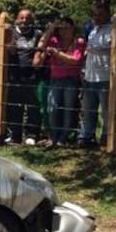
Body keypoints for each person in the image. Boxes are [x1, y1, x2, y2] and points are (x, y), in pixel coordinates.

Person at [42, 18, 83, 147]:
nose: (63, 31)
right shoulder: (54, 41)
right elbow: (41, 45)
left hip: (71, 80)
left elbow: (76, 60)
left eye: (66, 28)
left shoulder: (78, 42)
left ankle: (63, 138)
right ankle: (54, 136)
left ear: (72, 28)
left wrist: (57, 53)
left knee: (68, 109)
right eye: (61, 28)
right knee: (52, 108)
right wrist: (50, 28)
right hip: (55, 79)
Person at [80, 0, 114, 147]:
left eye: (100, 14)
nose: (97, 17)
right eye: (95, 14)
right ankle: (87, 136)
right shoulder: (92, 30)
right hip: (89, 76)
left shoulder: (113, 29)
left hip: (105, 77)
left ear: (107, 13)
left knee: (107, 111)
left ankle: (107, 136)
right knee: (88, 110)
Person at [5, 8, 42, 144]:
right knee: (15, 107)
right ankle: (15, 135)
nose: (24, 21)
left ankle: (31, 135)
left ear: (32, 20)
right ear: (17, 19)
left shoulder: (37, 34)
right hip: (15, 76)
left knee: (33, 107)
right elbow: (10, 50)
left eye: (27, 18)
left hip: (32, 77)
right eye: (21, 18)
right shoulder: (11, 33)